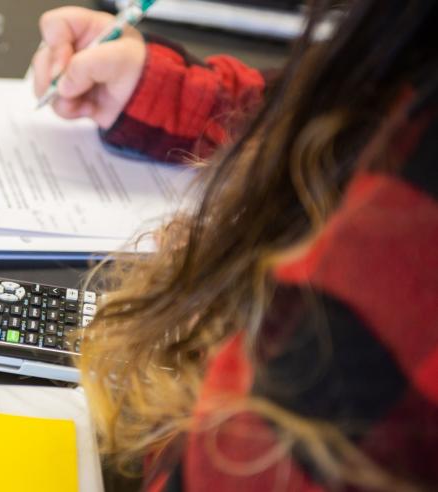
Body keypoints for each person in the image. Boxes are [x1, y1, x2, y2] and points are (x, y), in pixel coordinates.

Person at [31, 3, 437, 491]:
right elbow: (340, 116)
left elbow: (234, 468)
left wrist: (198, 331)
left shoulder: (406, 230)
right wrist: (163, 90)